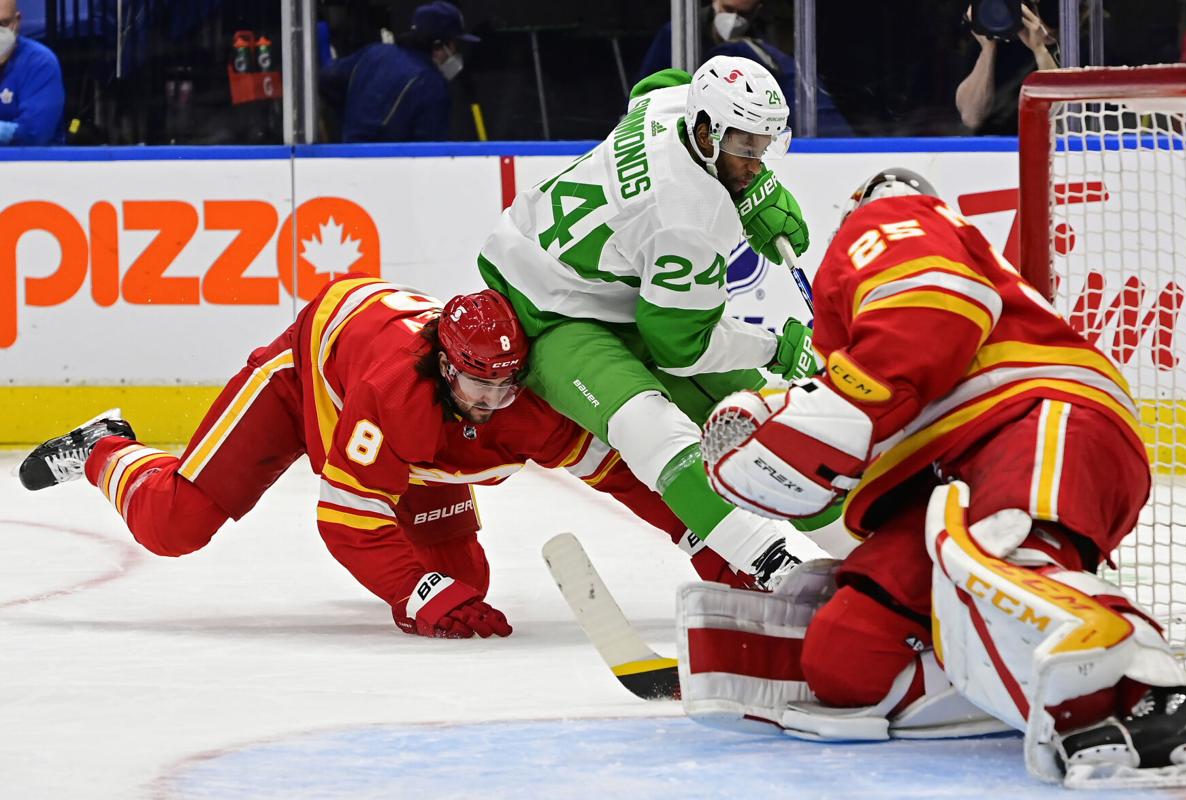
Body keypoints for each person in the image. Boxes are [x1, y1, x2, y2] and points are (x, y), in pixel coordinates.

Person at [700, 168, 1186, 785]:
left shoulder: (889, 218)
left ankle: (1158, 701)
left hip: (1032, 417)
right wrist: (797, 430)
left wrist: (825, 417)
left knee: (998, 566)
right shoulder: (857, 318)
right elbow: (871, 416)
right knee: (849, 649)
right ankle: (1039, 684)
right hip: (947, 473)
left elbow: (931, 310)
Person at [19, 276, 742, 639]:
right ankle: (105, 447)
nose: (490, 400)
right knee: (174, 523)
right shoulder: (399, 394)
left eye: (503, 383)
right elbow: (346, 519)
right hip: (309, 382)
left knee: (465, 579)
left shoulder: (519, 400)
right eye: (476, 382)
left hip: (408, 447)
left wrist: (702, 535)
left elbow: (619, 472)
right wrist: (417, 595)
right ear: (442, 361)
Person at [477, 55, 835, 594]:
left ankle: (867, 545)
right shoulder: (689, 216)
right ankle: (771, 562)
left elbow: (656, 83)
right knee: (650, 427)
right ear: (707, 130)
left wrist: (753, 190)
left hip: (617, 288)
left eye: (766, 147)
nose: (757, 162)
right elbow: (682, 350)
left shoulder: (673, 103)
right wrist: (775, 348)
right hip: (548, 311)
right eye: (746, 147)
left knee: (756, 416)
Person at [636, 0, 852, 137]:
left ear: (756, 9)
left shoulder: (766, 44)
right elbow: (646, 90)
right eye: (728, 10)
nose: (732, 20)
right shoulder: (678, 34)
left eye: (743, 14)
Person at [318, 1, 474, 142]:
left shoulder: (373, 54)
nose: (456, 54)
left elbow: (324, 79)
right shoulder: (432, 84)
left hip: (347, 163)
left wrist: (351, 116)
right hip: (395, 169)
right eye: (455, 46)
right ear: (438, 46)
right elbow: (429, 155)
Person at [955, 1, 1058, 134]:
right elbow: (971, 117)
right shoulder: (986, 46)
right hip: (996, 146)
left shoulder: (1066, 44)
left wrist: (1039, 50)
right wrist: (988, 48)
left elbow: (1062, 110)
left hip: (1045, 141)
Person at [0, 0, 65, 146]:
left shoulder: (40, 63)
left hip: (33, 166)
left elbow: (34, 133)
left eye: (3, 24)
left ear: (17, 21)